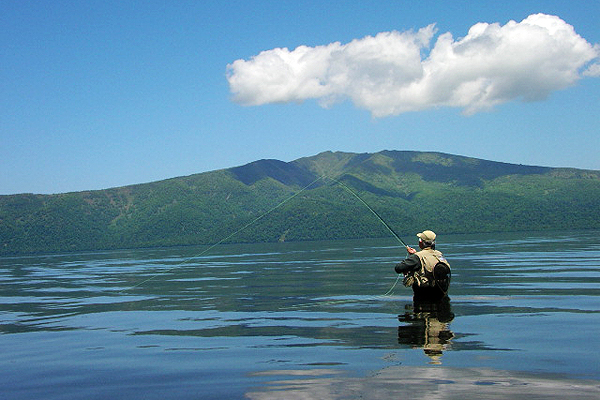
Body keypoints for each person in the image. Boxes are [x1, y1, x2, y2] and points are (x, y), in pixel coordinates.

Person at [394, 230, 451, 302]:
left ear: (421, 243)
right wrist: (414, 255)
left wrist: (414, 256)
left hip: (423, 297)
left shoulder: (417, 257)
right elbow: (427, 260)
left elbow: (398, 268)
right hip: (441, 294)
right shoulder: (439, 254)